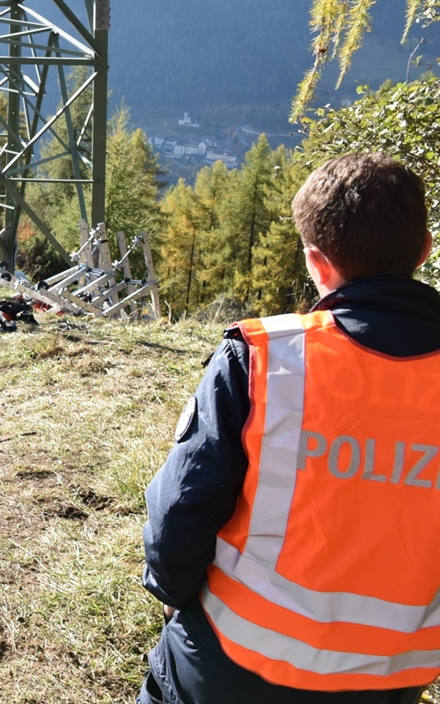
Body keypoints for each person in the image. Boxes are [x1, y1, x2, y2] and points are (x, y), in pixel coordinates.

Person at [139, 153, 440, 704]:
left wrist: (174, 594)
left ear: (315, 263)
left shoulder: (264, 357)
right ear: (424, 249)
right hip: (395, 676)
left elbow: (181, 508)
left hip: (233, 666)